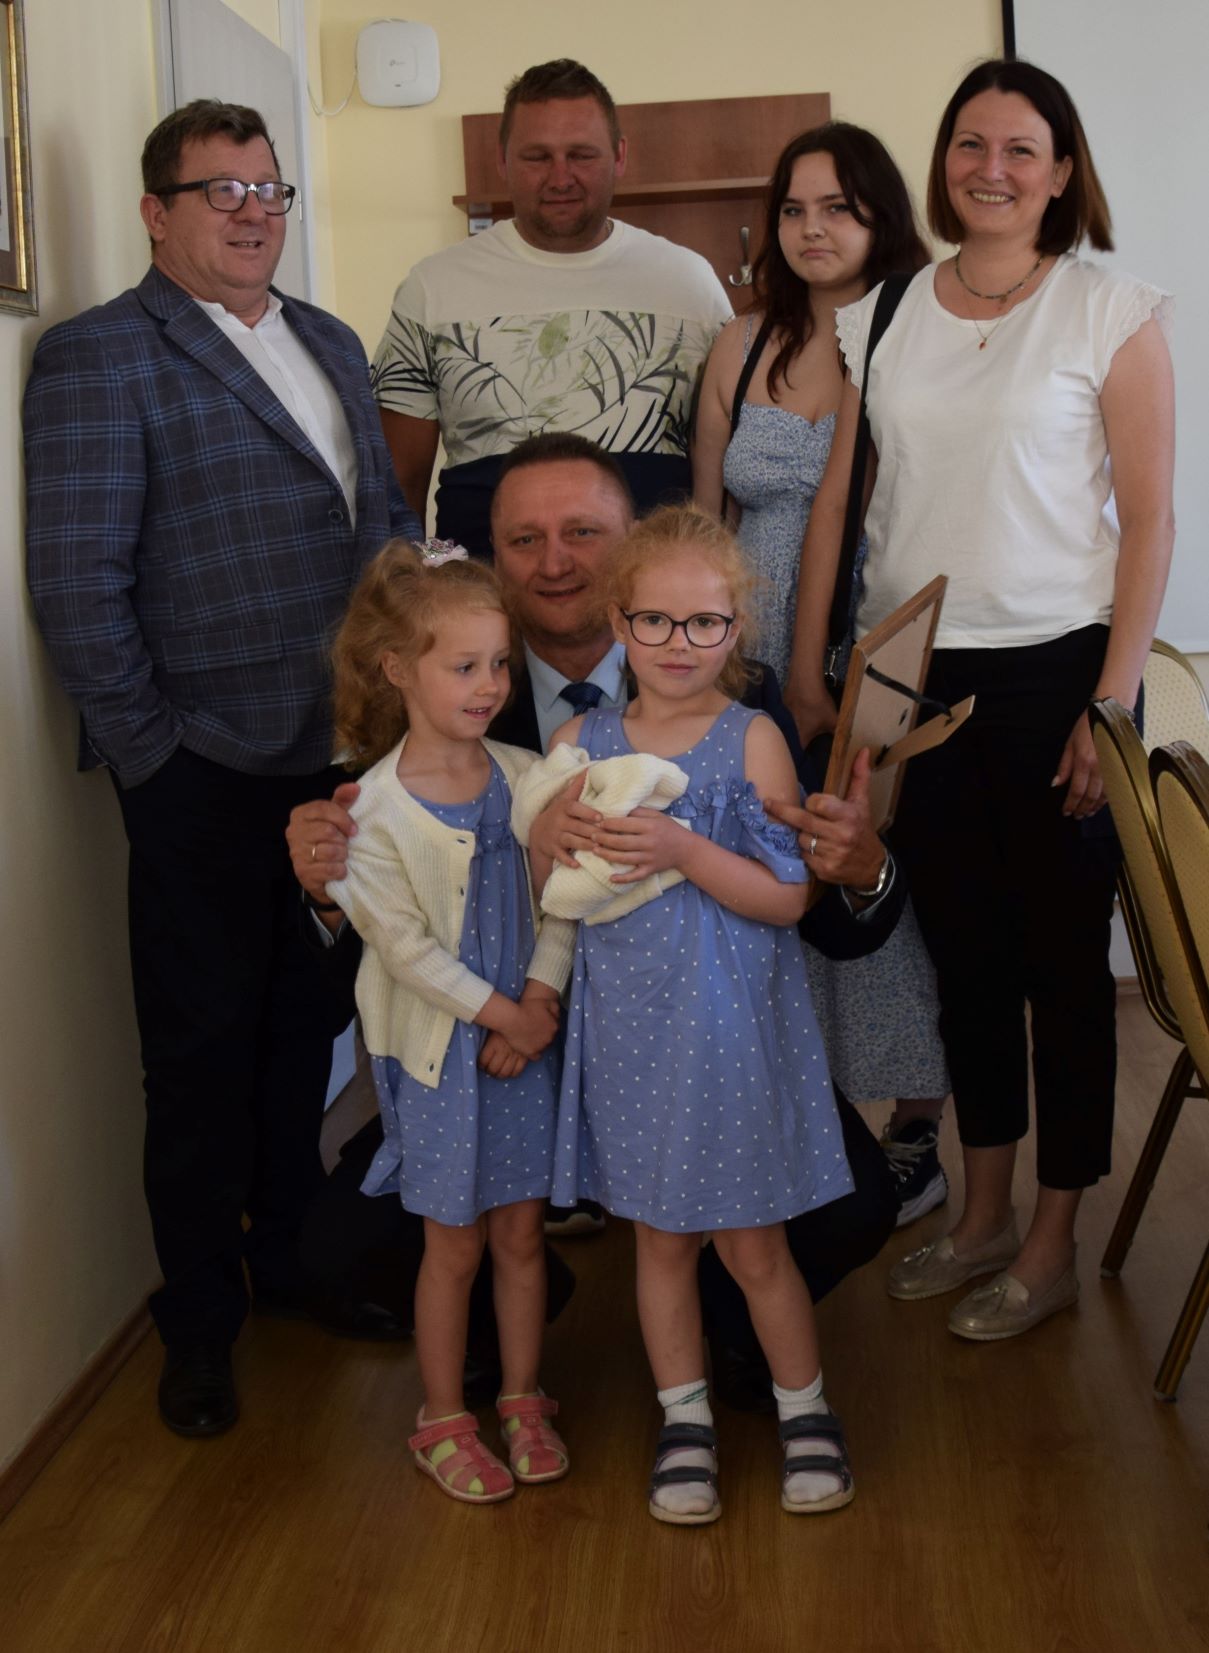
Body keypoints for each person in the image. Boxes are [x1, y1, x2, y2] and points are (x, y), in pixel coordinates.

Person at [287, 434, 901, 1404]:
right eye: (523, 540)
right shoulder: (441, 712)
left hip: (692, 1044)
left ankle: (729, 1323)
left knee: (853, 1205)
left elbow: (812, 914)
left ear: (631, 552)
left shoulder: (737, 706)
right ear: (492, 560)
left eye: (583, 532)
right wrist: (325, 894)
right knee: (334, 1252)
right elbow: (362, 958)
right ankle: (515, 1301)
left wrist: (864, 870)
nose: (554, 561)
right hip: (502, 1056)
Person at [23, 100, 421, 1439]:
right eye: (222, 191)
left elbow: (383, 522)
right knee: (197, 1058)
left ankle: (289, 1263)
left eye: (269, 188)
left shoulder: (329, 339)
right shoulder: (99, 357)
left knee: (305, 1027)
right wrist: (154, 760)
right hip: (199, 771)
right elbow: (77, 587)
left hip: (339, 759)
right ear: (157, 213)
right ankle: (198, 1325)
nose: (254, 213)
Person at [787, 59, 1175, 1341]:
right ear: (944, 161)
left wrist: (1109, 704)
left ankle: (1054, 1237)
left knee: (1062, 966)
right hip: (917, 675)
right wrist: (818, 666)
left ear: (1061, 172)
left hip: (1060, 671)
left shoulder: (1109, 309)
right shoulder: (885, 310)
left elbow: (1150, 520)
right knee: (963, 957)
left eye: (1019, 149)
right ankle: (984, 1211)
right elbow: (841, 504)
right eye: (969, 145)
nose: (990, 169)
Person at [528, 504, 854, 1524]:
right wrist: (543, 835)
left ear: (735, 628)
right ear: (618, 623)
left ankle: (805, 1409)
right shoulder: (578, 741)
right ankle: (684, 1420)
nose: (680, 643)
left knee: (754, 1246)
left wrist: (681, 848)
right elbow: (548, 889)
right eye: (656, 621)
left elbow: (787, 900)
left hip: (729, 1033)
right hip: (630, 1034)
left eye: (704, 622)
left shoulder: (752, 740)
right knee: (660, 1244)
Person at [694, 123, 949, 1226]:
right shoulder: (740, 341)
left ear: (880, 215)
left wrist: (823, 669)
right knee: (774, 871)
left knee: (879, 872)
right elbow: (704, 519)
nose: (812, 229)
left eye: (838, 207)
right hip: (743, 643)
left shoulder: (919, 333)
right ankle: (811, 1119)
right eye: (794, 209)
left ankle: (916, 1129)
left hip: (867, 637)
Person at [324, 542, 575, 1505]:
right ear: (396, 668)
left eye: (499, 663)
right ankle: (440, 1416)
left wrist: (538, 1004)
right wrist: (508, 1013)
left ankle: (522, 1395)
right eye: (463, 665)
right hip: (441, 1061)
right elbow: (405, 951)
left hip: (524, 1047)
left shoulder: (529, 775)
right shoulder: (373, 812)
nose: (489, 685)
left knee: (522, 1237)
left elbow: (566, 900)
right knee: (453, 1244)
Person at [371, 60, 732, 554]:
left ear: (619, 156)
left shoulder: (691, 286)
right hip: (485, 592)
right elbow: (399, 486)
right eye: (537, 157)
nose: (560, 178)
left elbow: (729, 469)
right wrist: (415, 589)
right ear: (502, 160)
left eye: (581, 155)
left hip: (655, 594)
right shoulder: (431, 290)